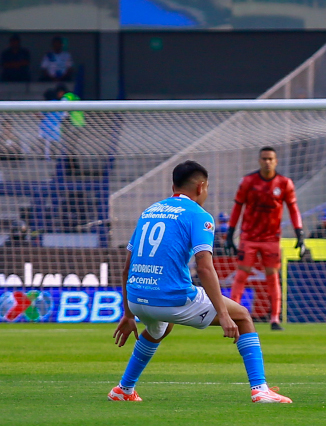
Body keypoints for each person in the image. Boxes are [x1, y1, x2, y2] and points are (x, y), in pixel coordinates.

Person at [108, 160, 291, 403]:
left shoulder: (149, 211)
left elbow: (126, 267)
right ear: (201, 186)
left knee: (161, 327)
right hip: (171, 298)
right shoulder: (198, 215)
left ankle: (124, 389)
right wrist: (224, 313)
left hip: (138, 299)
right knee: (243, 316)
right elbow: (204, 267)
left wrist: (129, 313)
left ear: (174, 186)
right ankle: (260, 390)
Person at [225, 147, 305, 331]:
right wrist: (230, 233)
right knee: (242, 274)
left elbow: (293, 209)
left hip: (271, 239)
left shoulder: (285, 183)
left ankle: (275, 318)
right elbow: (237, 208)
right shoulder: (248, 182)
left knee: (272, 276)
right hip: (249, 237)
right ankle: (234, 315)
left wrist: (299, 233)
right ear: (259, 161)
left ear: (276, 161)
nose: (267, 162)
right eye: (264, 158)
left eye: (270, 159)